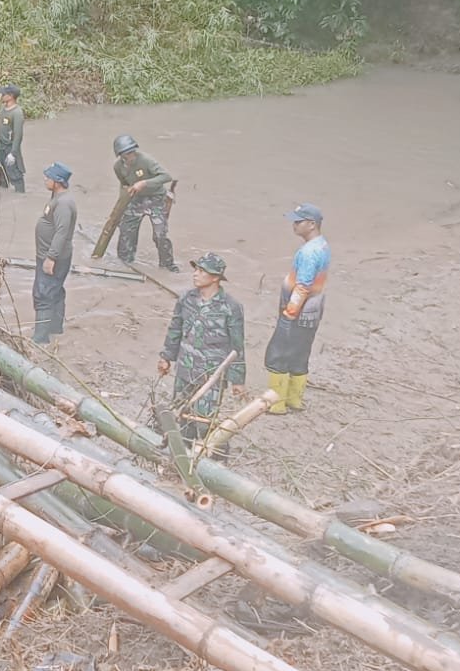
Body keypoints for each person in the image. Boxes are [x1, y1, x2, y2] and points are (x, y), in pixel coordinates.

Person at [158, 253, 246, 442]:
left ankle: (212, 458)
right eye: (196, 269)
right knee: (182, 415)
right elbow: (175, 329)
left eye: (201, 271)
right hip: (185, 369)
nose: (195, 274)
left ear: (215, 277)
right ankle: (182, 454)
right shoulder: (186, 299)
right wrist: (166, 357)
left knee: (205, 421)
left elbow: (237, 346)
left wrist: (237, 380)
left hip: (211, 375)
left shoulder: (231, 307)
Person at [265, 204, 330, 414]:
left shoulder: (309, 252)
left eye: (298, 221)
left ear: (311, 224)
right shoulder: (322, 246)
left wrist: (289, 313)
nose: (294, 225)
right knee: (300, 355)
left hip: (297, 312)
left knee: (277, 355)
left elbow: (303, 286)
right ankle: (295, 400)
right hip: (313, 312)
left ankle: (276, 403)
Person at [112, 135, 178, 271]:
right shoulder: (118, 167)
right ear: (121, 155)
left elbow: (166, 176)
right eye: (127, 153)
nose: (131, 156)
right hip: (136, 199)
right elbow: (124, 184)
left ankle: (167, 265)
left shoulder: (146, 161)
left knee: (160, 234)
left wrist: (145, 183)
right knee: (126, 231)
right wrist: (122, 202)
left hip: (156, 199)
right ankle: (125, 262)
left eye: (132, 152)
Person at [32, 162, 77, 344]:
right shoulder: (57, 198)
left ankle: (40, 338)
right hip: (52, 255)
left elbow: (62, 232)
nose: (45, 179)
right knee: (55, 291)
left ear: (58, 182)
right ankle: (55, 328)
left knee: (43, 294)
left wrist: (51, 257)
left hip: (53, 257)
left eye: (48, 177)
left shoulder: (64, 204)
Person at [0, 85, 26, 194]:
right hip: (0, 147)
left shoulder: (17, 113)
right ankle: (2, 193)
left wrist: (13, 153)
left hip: (9, 148)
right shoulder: (3, 108)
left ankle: (20, 196)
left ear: (11, 96)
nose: (1, 96)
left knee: (15, 174)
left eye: (4, 94)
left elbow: (18, 135)